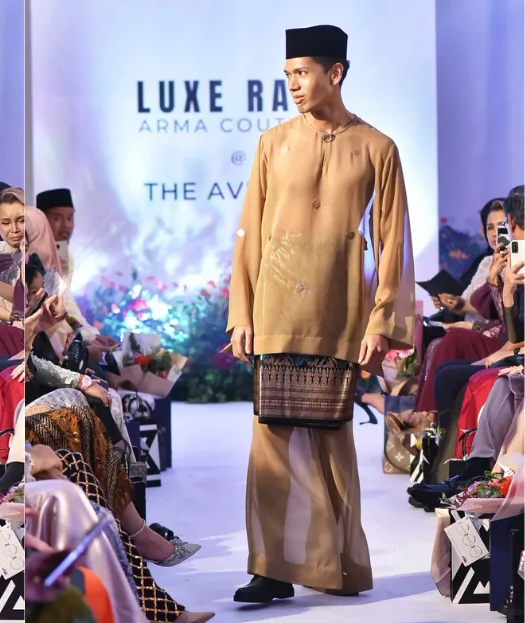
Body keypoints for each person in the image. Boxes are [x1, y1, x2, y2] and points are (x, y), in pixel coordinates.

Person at [226, 25, 416, 603]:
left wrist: (381, 321)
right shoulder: (273, 142)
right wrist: (242, 313)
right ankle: (270, 569)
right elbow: (250, 232)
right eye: (287, 75)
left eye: (302, 73)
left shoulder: (377, 148)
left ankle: (338, 566)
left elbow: (391, 243)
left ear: (335, 73)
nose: (293, 85)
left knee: (333, 442)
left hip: (339, 313)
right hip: (276, 309)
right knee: (271, 443)